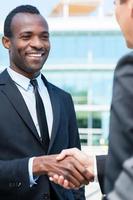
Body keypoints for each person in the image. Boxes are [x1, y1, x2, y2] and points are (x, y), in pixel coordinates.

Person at [0, 4, 94, 199]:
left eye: (44, 36)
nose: (38, 44)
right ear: (6, 42)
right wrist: (37, 165)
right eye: (27, 36)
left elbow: (76, 170)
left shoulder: (63, 99)